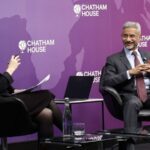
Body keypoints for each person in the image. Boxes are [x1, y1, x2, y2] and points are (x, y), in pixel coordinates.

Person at [99, 21, 150, 149]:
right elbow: (107, 82)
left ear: (139, 37)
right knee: (132, 103)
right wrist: (129, 72)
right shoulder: (113, 59)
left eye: (132, 36)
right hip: (130, 95)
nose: (128, 39)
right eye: (125, 36)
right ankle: (130, 146)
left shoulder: (148, 56)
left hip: (148, 95)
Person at [1, 55, 62, 140]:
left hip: (10, 106)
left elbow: (5, 89)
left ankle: (70, 134)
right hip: (6, 111)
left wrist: (20, 91)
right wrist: (10, 69)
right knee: (46, 95)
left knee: (46, 114)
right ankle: (70, 133)